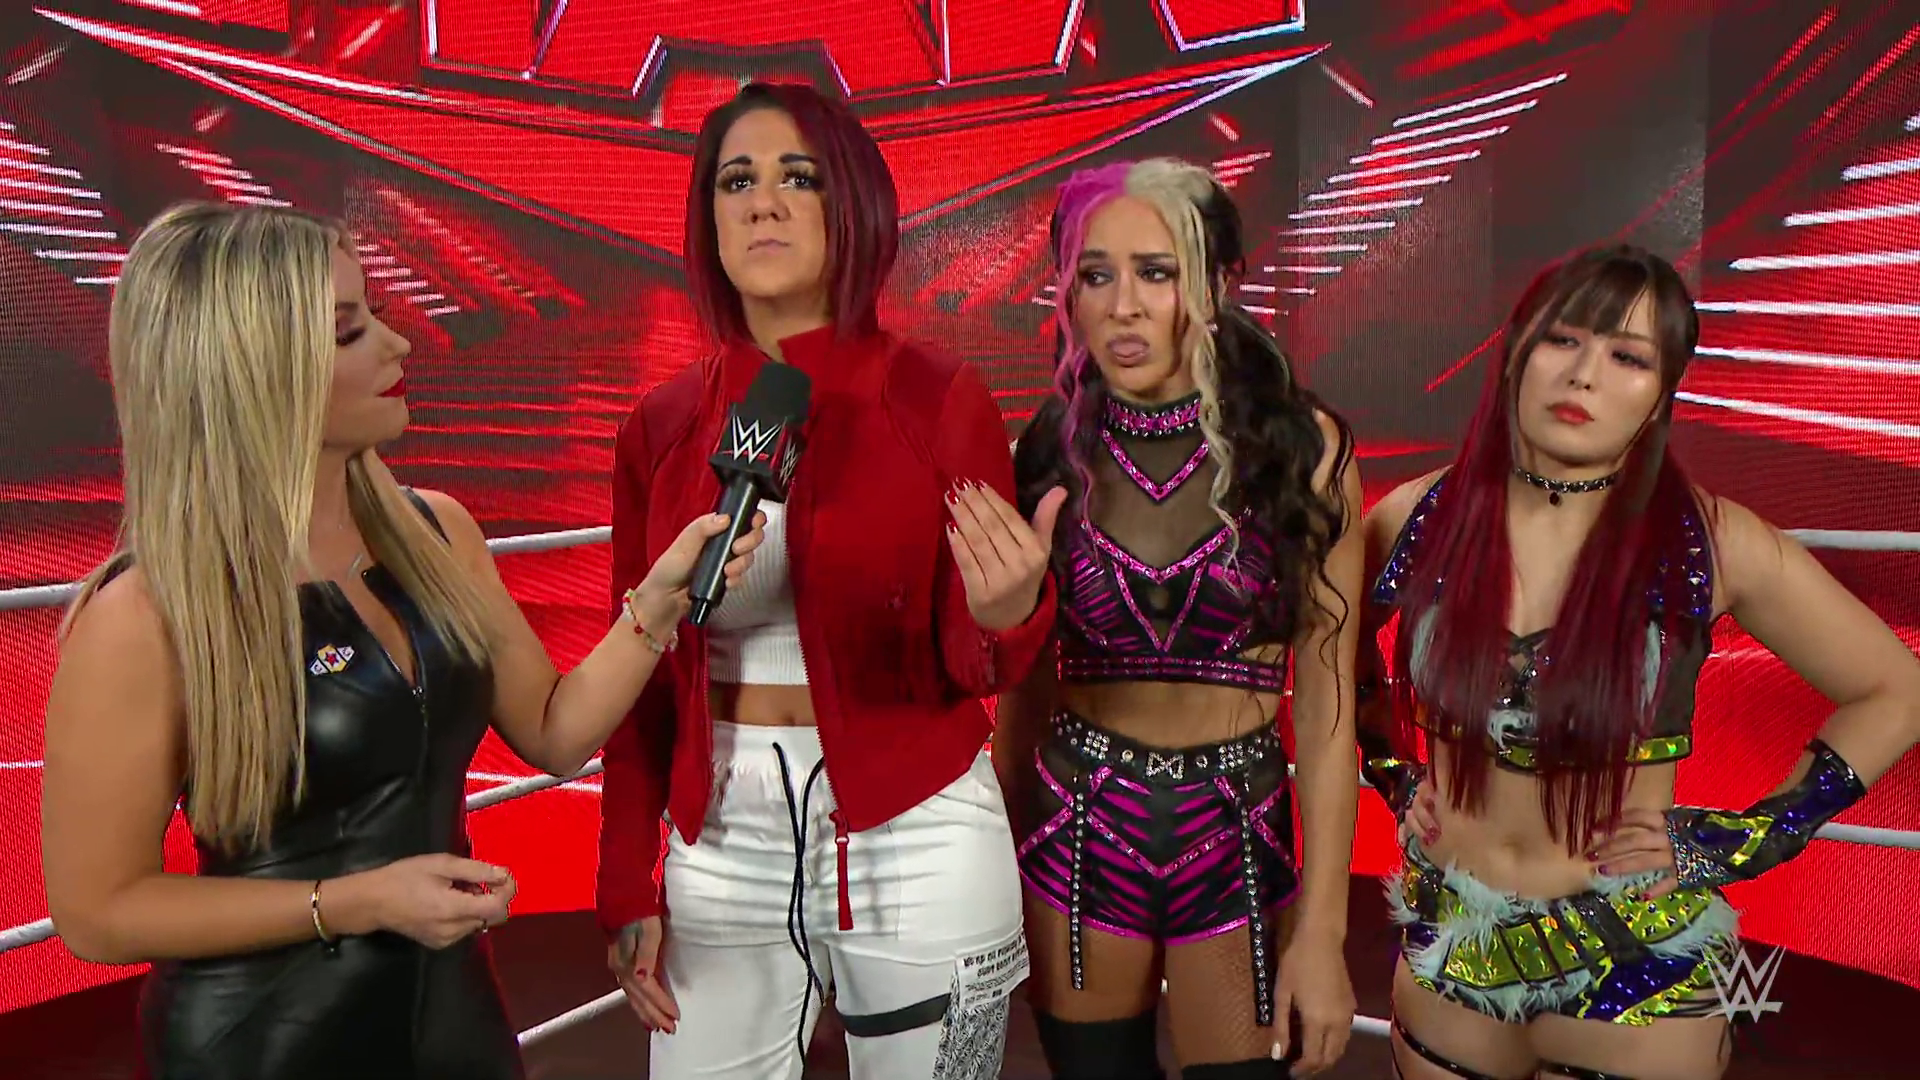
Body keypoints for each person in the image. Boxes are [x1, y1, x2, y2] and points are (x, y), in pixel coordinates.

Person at [38, 201, 763, 1080]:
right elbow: (98, 913)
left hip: (455, 1019)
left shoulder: (437, 533)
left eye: (376, 314)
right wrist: (352, 902)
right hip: (264, 1046)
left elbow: (556, 731)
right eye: (350, 331)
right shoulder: (143, 615)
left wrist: (656, 604)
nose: (400, 344)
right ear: (256, 369)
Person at [1358, 244, 1920, 1080]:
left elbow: (1896, 690)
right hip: (1451, 957)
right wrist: (1396, 775)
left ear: (1663, 391)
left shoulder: (1712, 541)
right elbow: (1336, 666)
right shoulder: (1417, 517)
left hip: (1639, 975)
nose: (1582, 375)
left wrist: (1737, 843)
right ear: (1515, 354)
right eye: (1562, 340)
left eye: (1627, 357)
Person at [597, 81, 1064, 1080]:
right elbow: (636, 681)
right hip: (719, 840)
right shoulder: (661, 426)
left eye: (796, 177)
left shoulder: (936, 397)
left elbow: (980, 661)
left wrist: (1008, 613)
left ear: (850, 204)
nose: (762, 203)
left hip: (919, 832)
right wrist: (625, 878)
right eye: (736, 181)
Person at [996, 158, 1365, 1080]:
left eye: (1156, 273)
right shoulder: (1043, 451)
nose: (1124, 306)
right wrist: (992, 871)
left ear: (1218, 282)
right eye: (1096, 274)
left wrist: (1323, 932)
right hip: (1077, 827)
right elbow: (1021, 696)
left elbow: (1328, 712)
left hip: (1238, 833)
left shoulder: (1304, 453)